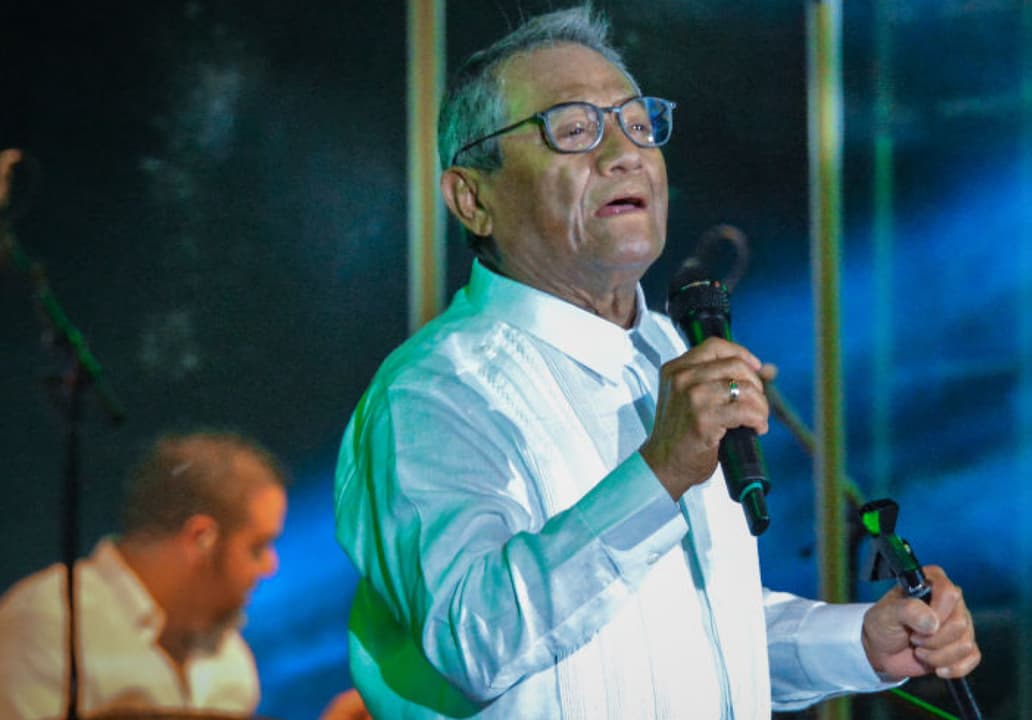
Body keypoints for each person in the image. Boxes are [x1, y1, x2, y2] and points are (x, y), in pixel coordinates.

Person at [334, 6, 980, 719]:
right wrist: (659, 473)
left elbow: (686, 633)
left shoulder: (672, 355)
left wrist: (860, 644)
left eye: (640, 125)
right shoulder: (432, 393)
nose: (625, 155)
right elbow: (473, 639)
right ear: (472, 197)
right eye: (573, 130)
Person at [0, 431, 368, 720]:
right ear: (200, 538)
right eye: (257, 547)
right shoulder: (48, 623)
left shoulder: (231, 661)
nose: (270, 566)